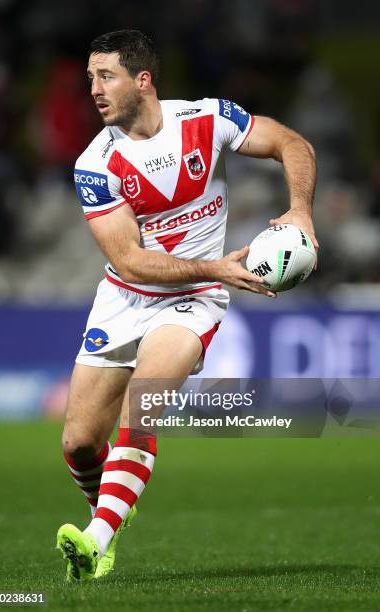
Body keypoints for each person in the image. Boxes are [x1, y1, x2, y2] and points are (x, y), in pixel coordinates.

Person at [56, 29, 317, 582]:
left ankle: (98, 539)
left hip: (193, 301)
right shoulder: (96, 163)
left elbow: (292, 144)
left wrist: (300, 212)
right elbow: (129, 260)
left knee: (144, 402)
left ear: (143, 80)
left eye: (106, 77)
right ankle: (106, 512)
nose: (95, 90)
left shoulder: (207, 119)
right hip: (124, 299)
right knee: (80, 443)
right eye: (90, 79)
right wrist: (218, 265)